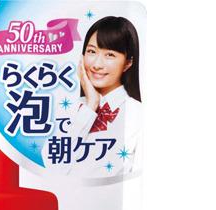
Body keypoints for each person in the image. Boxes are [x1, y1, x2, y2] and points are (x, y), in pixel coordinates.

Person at [43, 16, 143, 183]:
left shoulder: (139, 114)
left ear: (128, 63)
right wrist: (91, 105)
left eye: (110, 54)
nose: (97, 64)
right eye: (91, 51)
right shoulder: (70, 109)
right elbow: (52, 167)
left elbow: (139, 183)